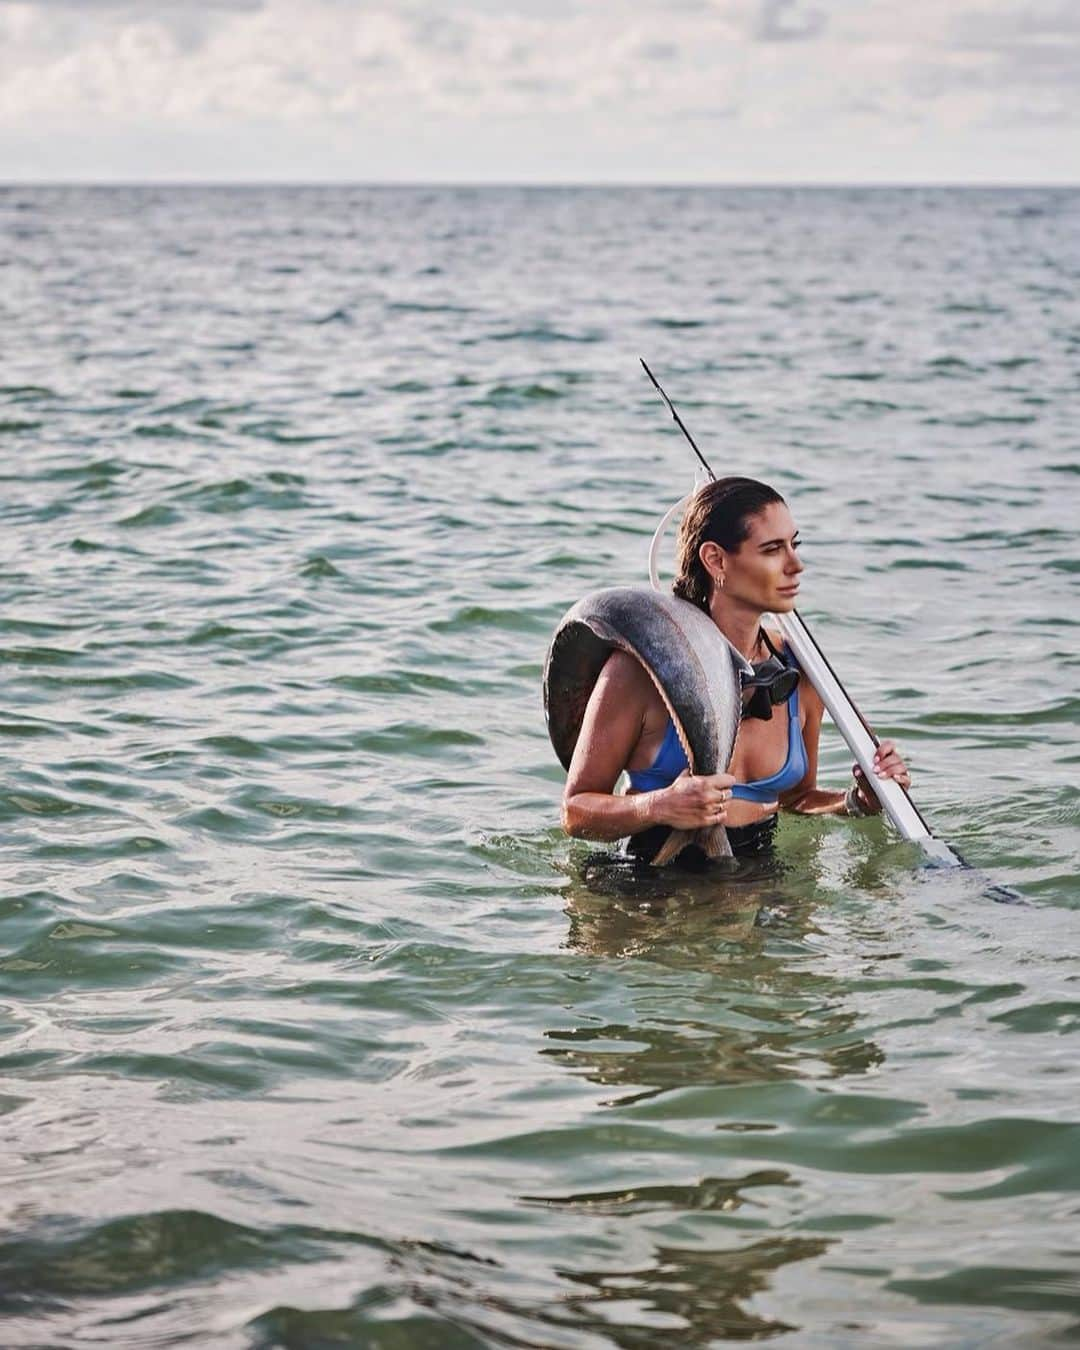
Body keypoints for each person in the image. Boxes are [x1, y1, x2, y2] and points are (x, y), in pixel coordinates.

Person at [561, 476, 911, 862]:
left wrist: (856, 801)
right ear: (715, 559)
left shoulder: (801, 671)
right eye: (772, 549)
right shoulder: (639, 671)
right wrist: (657, 807)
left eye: (795, 544)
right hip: (650, 886)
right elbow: (576, 812)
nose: (796, 565)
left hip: (757, 882)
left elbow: (797, 798)